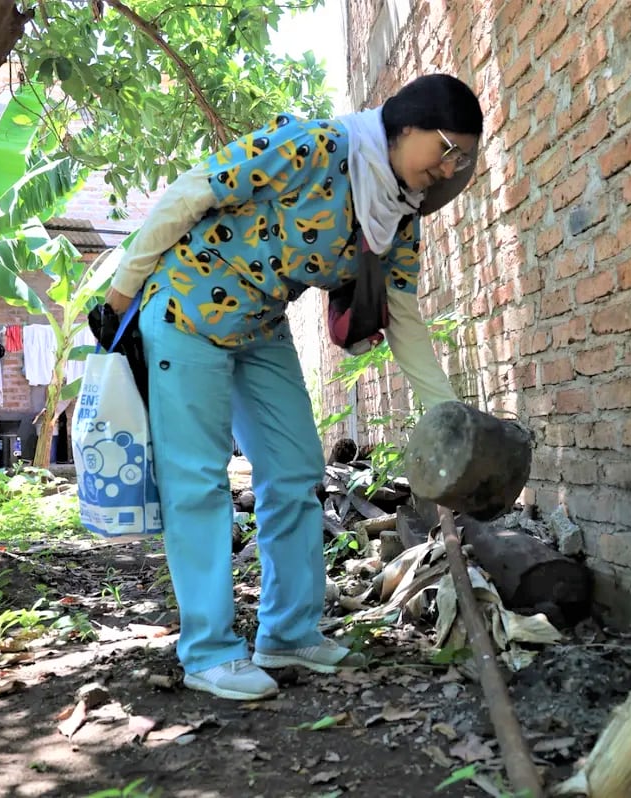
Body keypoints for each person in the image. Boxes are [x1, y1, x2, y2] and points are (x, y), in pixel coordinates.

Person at [104, 74, 483, 701]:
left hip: (260, 324)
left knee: (296, 468)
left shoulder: (399, 216)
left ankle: (287, 631)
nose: (449, 167)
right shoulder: (316, 147)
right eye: (445, 147)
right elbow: (193, 190)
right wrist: (120, 294)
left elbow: (405, 317)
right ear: (404, 125)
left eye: (462, 158)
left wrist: (451, 421)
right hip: (189, 309)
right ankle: (207, 650)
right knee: (198, 478)